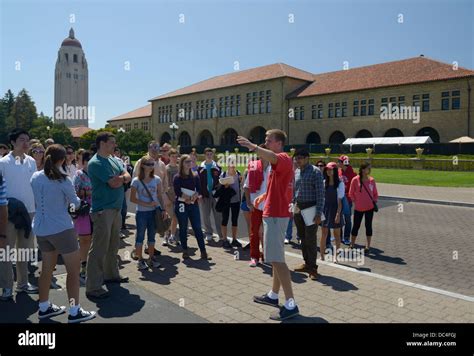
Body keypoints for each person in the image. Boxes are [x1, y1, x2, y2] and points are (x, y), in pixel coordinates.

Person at [238, 129, 299, 321]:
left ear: (279, 143)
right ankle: (273, 295)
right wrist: (265, 196)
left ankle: (291, 304)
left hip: (276, 215)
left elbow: (271, 156)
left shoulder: (282, 158)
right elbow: (278, 185)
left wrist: (252, 146)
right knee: (274, 257)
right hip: (273, 212)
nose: (265, 142)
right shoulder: (279, 162)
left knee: (277, 260)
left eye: (268, 140)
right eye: (264, 140)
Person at [31, 144, 96, 323]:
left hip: (42, 228)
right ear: (62, 160)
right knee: (73, 271)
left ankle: (43, 306)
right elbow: (75, 204)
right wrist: (81, 204)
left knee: (46, 270)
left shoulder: (35, 177)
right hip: (61, 228)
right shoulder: (63, 180)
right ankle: (74, 310)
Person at [85, 132, 131, 299]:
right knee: (99, 248)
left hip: (116, 209)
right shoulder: (96, 163)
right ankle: (93, 286)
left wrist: (122, 178)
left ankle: (111, 274)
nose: (114, 145)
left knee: (113, 245)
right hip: (103, 210)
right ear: (102, 144)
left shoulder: (112, 159)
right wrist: (122, 178)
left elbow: (127, 175)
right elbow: (113, 184)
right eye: (112, 142)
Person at [0, 129, 38, 301]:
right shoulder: (3, 163)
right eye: (22, 139)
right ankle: (7, 287)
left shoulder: (31, 162)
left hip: (29, 212)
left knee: (24, 250)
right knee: (6, 251)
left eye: (27, 140)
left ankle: (22, 284)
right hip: (8, 212)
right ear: (13, 143)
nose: (26, 143)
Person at [292, 148, 324, 280]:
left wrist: (318, 213)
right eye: (296, 158)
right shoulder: (297, 171)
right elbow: (296, 190)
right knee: (302, 237)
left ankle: (313, 268)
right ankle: (306, 263)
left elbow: (321, 195)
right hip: (299, 207)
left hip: (311, 208)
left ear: (307, 158)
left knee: (310, 239)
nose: (297, 160)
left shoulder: (315, 172)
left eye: (300, 158)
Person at [130, 154, 166, 270]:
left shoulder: (157, 179)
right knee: (140, 236)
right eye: (149, 164)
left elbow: (160, 196)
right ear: (143, 166)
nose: (152, 166)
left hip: (153, 213)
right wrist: (147, 204)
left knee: (152, 237)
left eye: (153, 164)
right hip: (141, 213)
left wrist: (163, 209)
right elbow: (132, 199)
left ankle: (151, 258)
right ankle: (140, 260)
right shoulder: (136, 181)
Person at [173, 154, 212, 261]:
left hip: (193, 204)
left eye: (190, 161)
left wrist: (195, 196)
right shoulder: (177, 177)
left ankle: (203, 252)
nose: (189, 163)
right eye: (187, 162)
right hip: (181, 205)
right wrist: (187, 197)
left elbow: (199, 190)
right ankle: (185, 251)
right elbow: (177, 192)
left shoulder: (195, 175)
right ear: (182, 163)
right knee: (183, 228)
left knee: (198, 228)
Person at [134, 141, 169, 249]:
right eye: (152, 147)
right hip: (144, 199)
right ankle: (137, 249)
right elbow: (135, 178)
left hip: (158, 199)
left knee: (154, 224)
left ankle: (149, 247)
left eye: (157, 147)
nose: (154, 149)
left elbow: (165, 182)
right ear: (148, 148)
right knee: (141, 227)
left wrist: (164, 197)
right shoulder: (141, 162)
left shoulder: (161, 164)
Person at [243, 145, 271, 267]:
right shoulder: (253, 166)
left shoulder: (274, 166)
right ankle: (254, 257)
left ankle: (267, 256)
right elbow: (246, 186)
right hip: (256, 205)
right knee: (254, 231)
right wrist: (248, 202)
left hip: (270, 206)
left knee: (269, 233)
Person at [349, 162, 378, 255]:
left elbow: (375, 193)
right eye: (368, 168)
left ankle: (367, 246)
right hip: (358, 208)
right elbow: (351, 193)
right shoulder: (355, 180)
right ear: (362, 169)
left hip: (369, 208)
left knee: (368, 226)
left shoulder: (371, 180)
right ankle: (352, 244)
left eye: (370, 168)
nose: (369, 170)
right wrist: (355, 201)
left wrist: (374, 201)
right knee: (356, 226)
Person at [73, 150, 93, 281]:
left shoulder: (97, 175)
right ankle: (82, 267)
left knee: (93, 239)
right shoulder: (78, 175)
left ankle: (91, 267)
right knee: (84, 239)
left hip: (97, 210)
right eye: (89, 161)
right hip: (83, 211)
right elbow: (73, 194)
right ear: (84, 162)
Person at [197, 148, 223, 243]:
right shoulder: (200, 168)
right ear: (204, 155)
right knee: (205, 215)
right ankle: (208, 233)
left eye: (210, 154)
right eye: (207, 154)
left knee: (218, 215)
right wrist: (199, 195)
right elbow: (198, 183)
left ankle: (221, 234)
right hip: (204, 195)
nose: (209, 155)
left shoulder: (218, 167)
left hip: (215, 195)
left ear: (213, 155)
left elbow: (221, 182)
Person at [320, 162, 345, 263]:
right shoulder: (323, 182)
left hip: (335, 209)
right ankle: (321, 255)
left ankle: (336, 256)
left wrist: (338, 214)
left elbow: (340, 201)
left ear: (335, 171)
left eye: (331, 169)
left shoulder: (340, 184)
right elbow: (321, 199)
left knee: (337, 234)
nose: (329, 171)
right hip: (325, 210)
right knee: (324, 234)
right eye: (328, 169)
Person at [216, 157, 242, 249]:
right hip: (226, 201)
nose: (232, 165)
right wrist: (224, 186)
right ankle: (225, 239)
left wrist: (241, 180)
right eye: (231, 162)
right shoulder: (223, 174)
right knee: (225, 219)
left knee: (235, 220)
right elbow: (219, 187)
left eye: (234, 162)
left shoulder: (238, 174)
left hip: (236, 200)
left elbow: (241, 186)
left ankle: (234, 239)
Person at [338, 155, 356, 245]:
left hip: (347, 199)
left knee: (347, 218)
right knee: (339, 217)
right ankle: (339, 236)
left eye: (339, 161)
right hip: (339, 198)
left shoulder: (352, 173)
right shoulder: (339, 171)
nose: (338, 163)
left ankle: (346, 237)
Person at [164, 148, 179, 246]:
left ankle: (173, 235)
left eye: (175, 156)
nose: (174, 158)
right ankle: (166, 235)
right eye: (172, 156)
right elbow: (163, 183)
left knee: (176, 217)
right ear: (169, 157)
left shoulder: (179, 168)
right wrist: (165, 195)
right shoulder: (165, 168)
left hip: (178, 194)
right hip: (168, 194)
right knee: (168, 217)